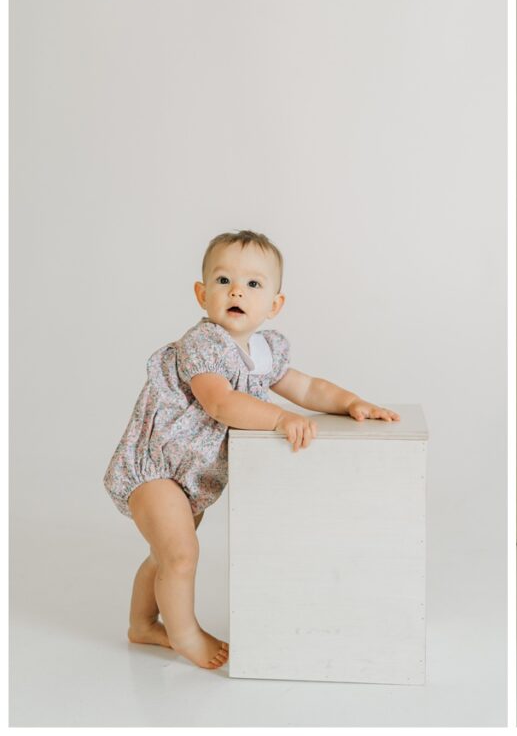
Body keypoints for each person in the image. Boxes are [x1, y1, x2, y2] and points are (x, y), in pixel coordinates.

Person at [104, 230, 399, 670]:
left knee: (165, 555)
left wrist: (350, 401)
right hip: (157, 467)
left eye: (253, 284)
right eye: (223, 281)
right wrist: (279, 418)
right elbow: (219, 402)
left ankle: (142, 624)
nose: (237, 290)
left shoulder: (263, 351)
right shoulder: (203, 345)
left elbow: (307, 387)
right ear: (203, 295)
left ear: (274, 306)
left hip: (192, 477)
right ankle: (185, 635)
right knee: (181, 555)